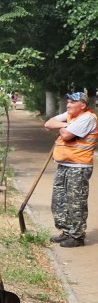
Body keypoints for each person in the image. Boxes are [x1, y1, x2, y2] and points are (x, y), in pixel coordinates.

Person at [44, 91, 96, 247]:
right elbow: (48, 124)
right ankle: (66, 231)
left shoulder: (88, 118)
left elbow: (66, 135)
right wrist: (66, 124)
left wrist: (64, 127)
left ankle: (77, 236)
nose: (68, 105)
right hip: (64, 164)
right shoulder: (70, 116)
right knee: (59, 200)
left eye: (73, 102)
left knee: (75, 203)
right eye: (68, 102)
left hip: (79, 166)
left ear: (83, 105)